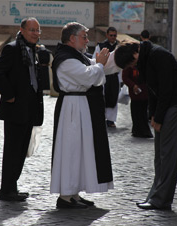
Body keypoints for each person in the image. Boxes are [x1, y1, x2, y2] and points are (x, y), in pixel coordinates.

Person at [115, 40, 177, 210]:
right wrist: (153, 116)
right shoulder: (147, 57)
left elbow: (166, 89)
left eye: (131, 62)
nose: (133, 66)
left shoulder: (158, 55)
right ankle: (155, 195)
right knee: (160, 154)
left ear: (135, 53)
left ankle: (161, 200)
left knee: (168, 154)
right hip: (166, 105)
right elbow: (153, 90)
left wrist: (159, 117)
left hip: (176, 104)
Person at [50, 22, 118, 209]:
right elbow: (88, 76)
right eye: (84, 36)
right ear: (72, 38)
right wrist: (101, 64)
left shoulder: (77, 56)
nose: (87, 40)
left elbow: (95, 65)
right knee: (71, 150)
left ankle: (74, 193)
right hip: (72, 108)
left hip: (81, 106)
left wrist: (116, 58)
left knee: (80, 151)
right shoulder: (66, 59)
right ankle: (65, 196)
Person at [0, 17, 44, 202]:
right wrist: (9, 95)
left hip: (29, 109)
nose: (36, 34)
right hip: (15, 109)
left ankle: (12, 187)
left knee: (21, 151)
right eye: (32, 30)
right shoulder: (12, 49)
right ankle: (6, 191)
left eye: (38, 30)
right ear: (21, 30)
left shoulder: (35, 50)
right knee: (12, 151)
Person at [92, 27, 120, 128]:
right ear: (107, 35)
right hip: (104, 75)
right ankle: (102, 118)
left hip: (114, 76)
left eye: (114, 35)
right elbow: (95, 59)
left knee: (113, 98)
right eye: (111, 35)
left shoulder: (119, 46)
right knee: (103, 97)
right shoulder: (101, 46)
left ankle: (111, 120)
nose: (113, 37)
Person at [122, 66, 153, 138]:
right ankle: (137, 130)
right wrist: (133, 86)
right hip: (135, 94)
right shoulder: (129, 65)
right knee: (136, 112)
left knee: (144, 112)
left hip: (145, 92)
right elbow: (125, 78)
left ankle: (143, 130)